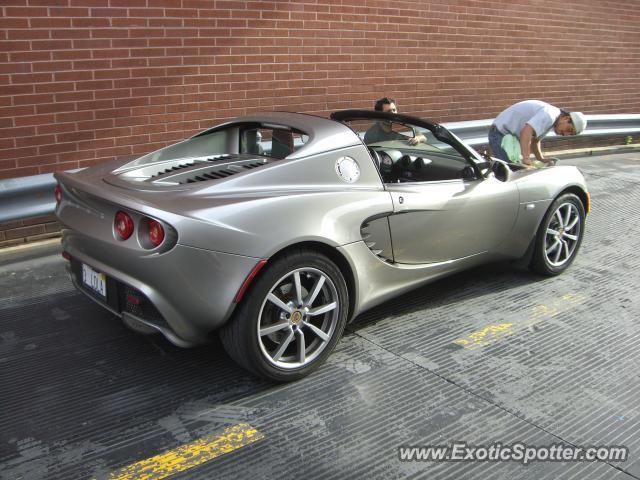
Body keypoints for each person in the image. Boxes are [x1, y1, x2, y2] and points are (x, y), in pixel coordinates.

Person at [488, 100, 587, 167]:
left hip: (508, 138)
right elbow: (526, 132)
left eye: (570, 134)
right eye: (569, 130)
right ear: (566, 118)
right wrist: (526, 159)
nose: (565, 134)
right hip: (500, 134)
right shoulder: (550, 115)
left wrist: (541, 159)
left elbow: (535, 140)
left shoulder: (553, 119)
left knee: (513, 170)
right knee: (509, 173)